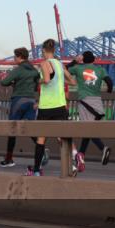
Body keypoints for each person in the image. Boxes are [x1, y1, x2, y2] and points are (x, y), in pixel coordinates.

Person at [29, 39, 76, 177]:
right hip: (61, 105)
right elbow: (72, 81)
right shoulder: (60, 64)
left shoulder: (44, 63)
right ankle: (71, 166)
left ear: (44, 51)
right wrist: (61, 80)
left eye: (42, 52)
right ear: (54, 50)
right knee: (62, 138)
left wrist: (39, 80)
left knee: (41, 139)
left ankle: (37, 170)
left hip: (46, 106)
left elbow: (47, 80)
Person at [67, 51, 114, 171]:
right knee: (88, 131)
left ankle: (103, 148)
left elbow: (65, 70)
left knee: (87, 130)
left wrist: (74, 61)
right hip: (97, 104)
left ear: (83, 60)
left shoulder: (78, 68)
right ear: (93, 60)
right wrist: (109, 90)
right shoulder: (100, 69)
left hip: (85, 102)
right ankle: (81, 156)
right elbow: (110, 82)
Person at [0, 47, 40, 167]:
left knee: (12, 129)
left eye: (15, 57)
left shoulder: (19, 69)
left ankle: (8, 159)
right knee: (31, 129)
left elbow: (4, 82)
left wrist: (14, 83)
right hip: (31, 100)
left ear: (20, 57)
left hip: (19, 100)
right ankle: (42, 149)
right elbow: (36, 86)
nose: (15, 59)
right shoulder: (34, 70)